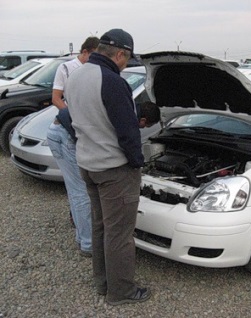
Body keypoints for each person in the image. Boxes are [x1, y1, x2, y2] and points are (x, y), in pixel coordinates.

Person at [66, 29, 161, 306]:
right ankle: (121, 292)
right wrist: (137, 163)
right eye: (126, 58)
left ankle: (103, 282)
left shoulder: (76, 75)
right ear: (120, 54)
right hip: (113, 171)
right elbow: (128, 133)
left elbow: (74, 119)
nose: (125, 64)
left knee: (101, 227)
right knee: (120, 234)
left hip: (88, 164)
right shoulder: (112, 81)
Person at [46, 36, 99, 257]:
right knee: (81, 193)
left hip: (67, 133)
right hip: (67, 131)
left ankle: (81, 233)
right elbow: (56, 98)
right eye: (94, 55)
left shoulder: (94, 70)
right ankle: (87, 243)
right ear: (85, 52)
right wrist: (73, 114)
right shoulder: (67, 68)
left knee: (77, 190)